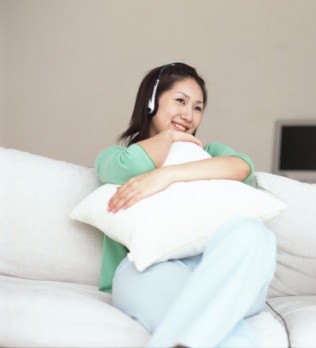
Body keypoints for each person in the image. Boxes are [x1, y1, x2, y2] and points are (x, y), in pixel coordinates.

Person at [95, 62, 277, 347]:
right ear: (152, 102)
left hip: (219, 266)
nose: (188, 115)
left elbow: (243, 168)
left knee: (255, 234)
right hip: (148, 269)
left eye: (197, 107)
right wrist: (168, 137)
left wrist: (167, 176)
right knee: (222, 327)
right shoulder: (117, 155)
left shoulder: (211, 153)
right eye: (180, 101)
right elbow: (121, 168)